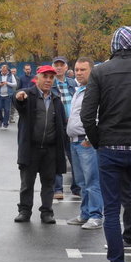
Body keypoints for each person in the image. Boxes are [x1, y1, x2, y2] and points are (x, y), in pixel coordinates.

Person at [81, 26, 131, 262]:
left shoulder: (101, 71)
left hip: (111, 147)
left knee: (111, 210)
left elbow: (87, 114)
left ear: (114, 46)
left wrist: (98, 141)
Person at [13, 65, 67, 224]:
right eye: (45, 77)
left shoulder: (56, 99)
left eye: (51, 77)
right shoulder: (28, 95)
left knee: (48, 183)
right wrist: (18, 96)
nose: (48, 80)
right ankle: (24, 211)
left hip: (50, 149)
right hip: (31, 148)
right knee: (27, 183)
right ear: (38, 77)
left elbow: (61, 124)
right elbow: (17, 99)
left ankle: (47, 212)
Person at [64, 57, 103, 230]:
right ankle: (85, 213)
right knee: (81, 182)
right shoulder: (79, 89)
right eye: (77, 69)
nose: (78, 73)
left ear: (92, 71)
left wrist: (89, 139)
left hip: (85, 142)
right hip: (74, 142)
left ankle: (96, 216)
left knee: (92, 181)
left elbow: (99, 115)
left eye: (83, 70)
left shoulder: (95, 90)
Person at [51, 56, 79, 200]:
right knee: (57, 157)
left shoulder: (73, 83)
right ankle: (57, 189)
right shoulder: (50, 84)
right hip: (57, 125)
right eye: (57, 65)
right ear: (53, 67)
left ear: (67, 67)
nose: (59, 67)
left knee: (74, 156)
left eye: (62, 65)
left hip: (72, 125)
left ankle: (76, 187)